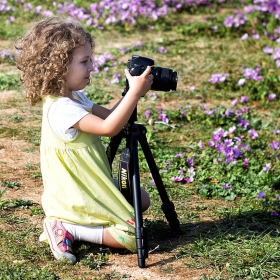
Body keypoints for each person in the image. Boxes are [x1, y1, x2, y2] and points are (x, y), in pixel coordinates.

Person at [15, 16, 153, 264]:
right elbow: (109, 128)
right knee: (133, 235)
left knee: (141, 199)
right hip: (76, 192)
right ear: (58, 67)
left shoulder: (75, 98)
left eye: (91, 59)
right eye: (84, 61)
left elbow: (111, 116)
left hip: (87, 182)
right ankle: (67, 227)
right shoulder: (62, 109)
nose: (92, 67)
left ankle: (78, 222)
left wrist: (133, 92)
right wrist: (134, 93)